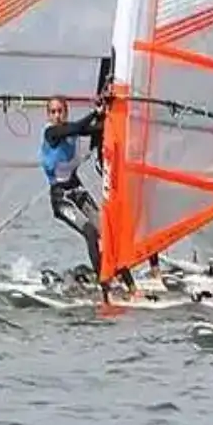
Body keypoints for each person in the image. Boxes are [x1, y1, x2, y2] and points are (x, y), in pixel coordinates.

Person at [41, 94, 136, 296]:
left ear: (66, 112)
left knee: (107, 232)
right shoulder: (51, 133)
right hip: (61, 199)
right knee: (90, 233)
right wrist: (95, 112)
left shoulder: (74, 135)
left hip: (77, 190)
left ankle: (131, 286)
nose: (57, 115)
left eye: (60, 111)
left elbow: (94, 130)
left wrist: (110, 114)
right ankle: (105, 288)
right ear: (48, 115)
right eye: (53, 112)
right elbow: (75, 128)